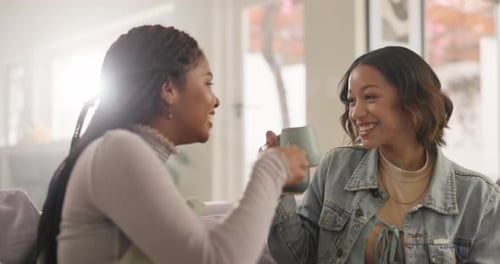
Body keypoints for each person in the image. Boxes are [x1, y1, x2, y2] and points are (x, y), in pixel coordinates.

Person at [32, 25, 308, 264]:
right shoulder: (117, 149)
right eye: (207, 83)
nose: (216, 100)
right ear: (168, 90)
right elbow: (216, 259)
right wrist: (272, 167)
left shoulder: (117, 152)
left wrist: (275, 191)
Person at [266, 46, 500, 263]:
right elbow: (297, 258)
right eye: (351, 101)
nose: (355, 113)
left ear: (413, 101)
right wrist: (279, 189)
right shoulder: (337, 167)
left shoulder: (479, 198)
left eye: (369, 97)